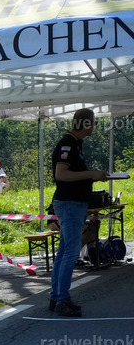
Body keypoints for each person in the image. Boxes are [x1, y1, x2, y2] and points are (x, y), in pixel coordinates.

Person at [48, 108, 110, 317]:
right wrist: (91, 174)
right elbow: (61, 174)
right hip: (70, 204)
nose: (93, 126)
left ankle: (56, 296)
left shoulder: (75, 144)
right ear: (84, 124)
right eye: (92, 122)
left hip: (73, 203)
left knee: (65, 251)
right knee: (71, 252)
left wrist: (91, 177)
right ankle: (62, 299)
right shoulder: (68, 143)